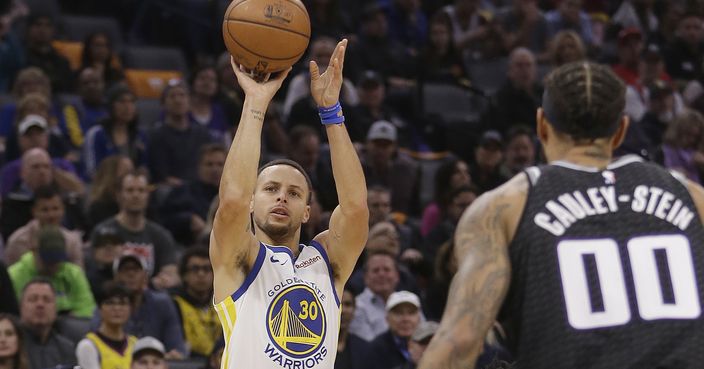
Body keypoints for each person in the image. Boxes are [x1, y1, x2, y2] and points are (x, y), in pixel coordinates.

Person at [418, 62, 704, 369]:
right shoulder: (693, 197)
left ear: (541, 125)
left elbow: (459, 341)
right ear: (620, 130)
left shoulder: (505, 205)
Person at [211, 39, 369, 368]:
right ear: (252, 203)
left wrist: (330, 111)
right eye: (271, 188)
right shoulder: (240, 257)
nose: (283, 196)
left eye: (295, 193)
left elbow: (355, 208)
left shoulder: (327, 262)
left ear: (309, 211)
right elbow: (232, 199)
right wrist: (255, 102)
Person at [8, 226, 95, 318]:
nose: (52, 266)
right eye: (47, 261)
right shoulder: (14, 275)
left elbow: (88, 309)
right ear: (34, 251)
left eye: (56, 261)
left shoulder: (74, 274)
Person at [171, 248, 220, 358]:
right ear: (184, 275)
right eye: (195, 269)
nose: (201, 274)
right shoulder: (174, 303)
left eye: (207, 269)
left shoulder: (222, 303)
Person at [76, 282, 136, 369]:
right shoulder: (88, 346)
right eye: (110, 303)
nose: (117, 308)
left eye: (122, 303)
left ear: (130, 309)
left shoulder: (135, 344)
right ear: (100, 308)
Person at [19, 279, 76, 369]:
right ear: (21, 306)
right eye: (33, 299)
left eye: (47, 300)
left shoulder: (66, 348)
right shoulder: (11, 345)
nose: (40, 304)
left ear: (55, 308)